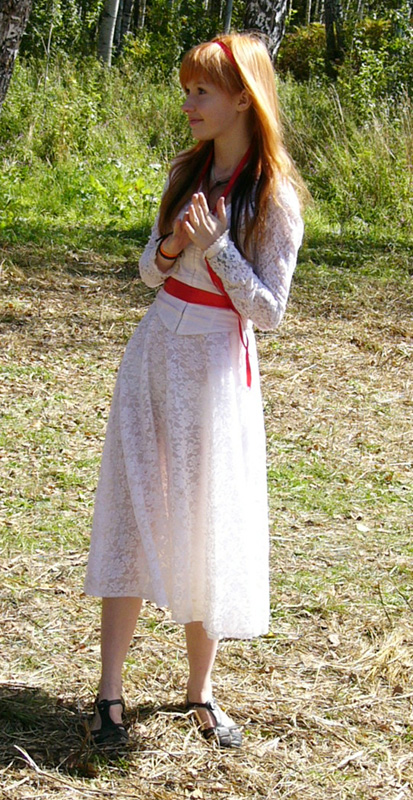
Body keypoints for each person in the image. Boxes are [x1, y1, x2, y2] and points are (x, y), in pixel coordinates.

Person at [84, 32, 304, 749]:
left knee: (208, 519)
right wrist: (174, 246)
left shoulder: (274, 197)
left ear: (243, 97)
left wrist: (219, 248)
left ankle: (198, 691)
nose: (188, 104)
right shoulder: (186, 171)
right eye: (186, 91)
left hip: (213, 369)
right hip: (153, 353)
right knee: (132, 505)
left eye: (200, 91)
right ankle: (109, 694)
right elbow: (149, 271)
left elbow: (268, 311)